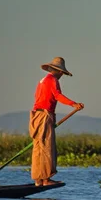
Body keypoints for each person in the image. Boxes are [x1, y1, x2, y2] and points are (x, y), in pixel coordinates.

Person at [29, 57, 84, 186]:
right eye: (62, 73)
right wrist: (73, 104)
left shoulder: (42, 81)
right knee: (47, 147)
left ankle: (38, 179)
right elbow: (57, 95)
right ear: (58, 71)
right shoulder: (52, 80)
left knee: (39, 147)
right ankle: (46, 179)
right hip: (44, 116)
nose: (61, 76)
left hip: (36, 115)